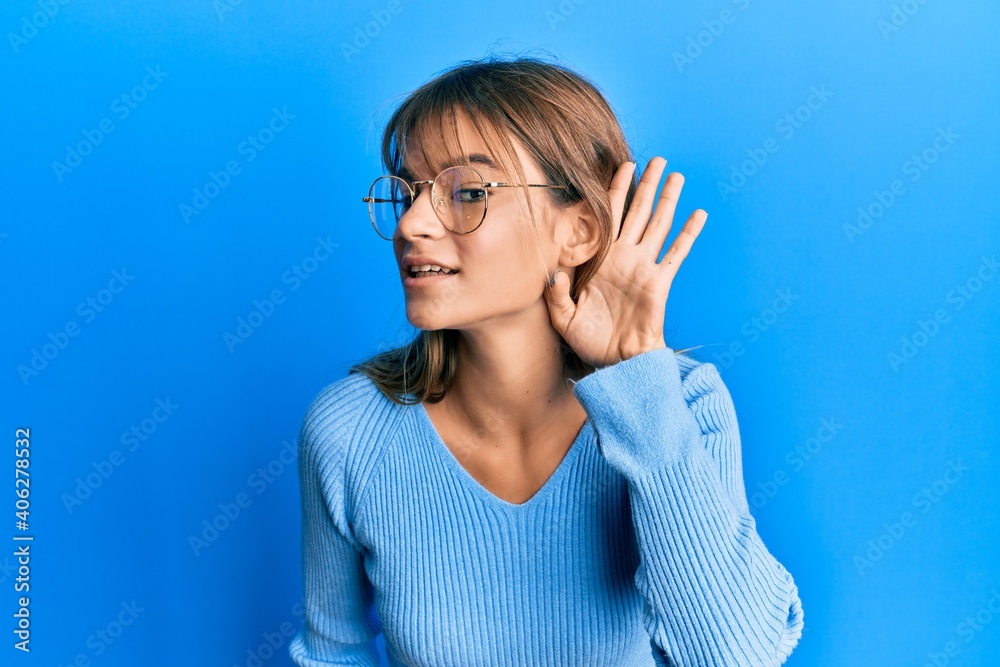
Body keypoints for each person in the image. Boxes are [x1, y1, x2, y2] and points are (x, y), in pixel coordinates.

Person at [289, 54, 804, 666]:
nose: (414, 224)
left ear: (581, 230)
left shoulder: (684, 406)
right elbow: (334, 655)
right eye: (407, 192)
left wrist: (637, 380)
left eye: (468, 192)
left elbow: (735, 656)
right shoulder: (348, 432)